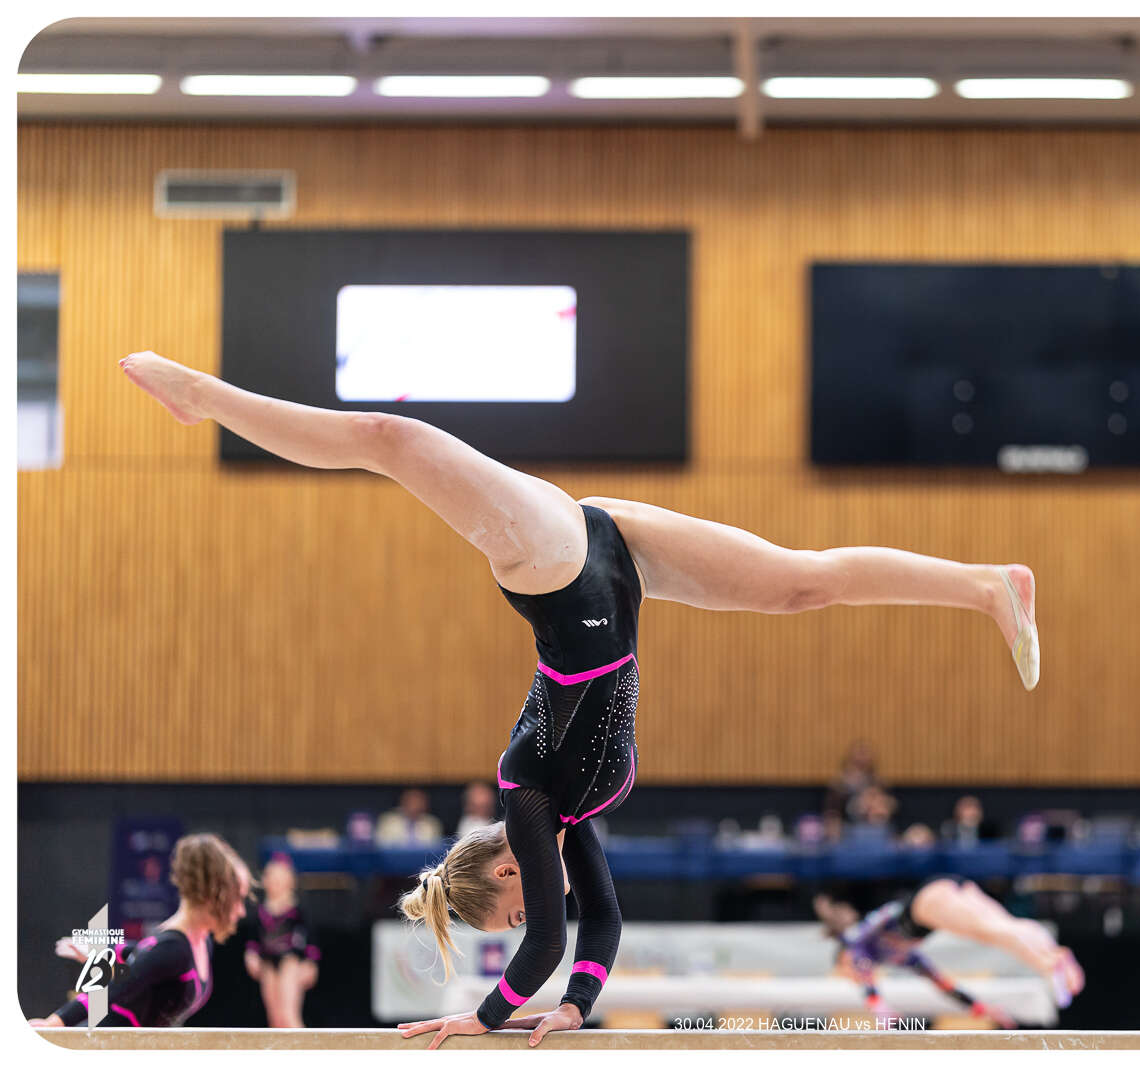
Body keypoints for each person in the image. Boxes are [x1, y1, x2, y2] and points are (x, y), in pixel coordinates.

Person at [116, 350, 1040, 1048]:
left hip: (554, 565)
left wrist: (486, 1018)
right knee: (802, 584)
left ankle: (202, 397)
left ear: (509, 870)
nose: (526, 916)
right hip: (619, 555)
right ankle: (987, 585)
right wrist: (575, 1003)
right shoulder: (571, 822)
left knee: (387, 441)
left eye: (509, 910)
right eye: (514, 922)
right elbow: (598, 923)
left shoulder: (529, 803)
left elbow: (553, 929)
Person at [33, 833, 252, 1028]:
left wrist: (105, 953)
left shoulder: (200, 942)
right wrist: (55, 1022)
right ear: (213, 894)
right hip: (104, 1048)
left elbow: (139, 958)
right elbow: (110, 991)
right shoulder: (173, 949)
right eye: (238, 899)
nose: (242, 911)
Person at [814, 878, 1084, 1027]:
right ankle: (1052, 954)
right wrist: (982, 1008)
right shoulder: (900, 957)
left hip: (927, 902)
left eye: (845, 968)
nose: (852, 973)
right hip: (944, 898)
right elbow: (942, 984)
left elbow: (859, 962)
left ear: (844, 958)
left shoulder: (859, 941)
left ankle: (1048, 962)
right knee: (1000, 929)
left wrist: (878, 1006)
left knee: (994, 930)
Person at [241, 853, 320, 1028]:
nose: (275, 884)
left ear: (289, 882)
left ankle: (306, 1053)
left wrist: (311, 963)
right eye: (272, 879)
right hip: (268, 964)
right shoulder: (261, 910)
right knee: (275, 1019)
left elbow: (311, 938)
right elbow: (253, 938)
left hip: (290, 962)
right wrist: (251, 955)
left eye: (280, 880)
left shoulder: (297, 909)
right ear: (265, 881)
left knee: (288, 1014)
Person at [376, 787, 444, 847]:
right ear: (403, 802)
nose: (415, 805)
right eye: (412, 801)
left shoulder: (432, 823)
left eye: (419, 802)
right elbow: (380, 846)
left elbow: (435, 849)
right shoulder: (388, 821)